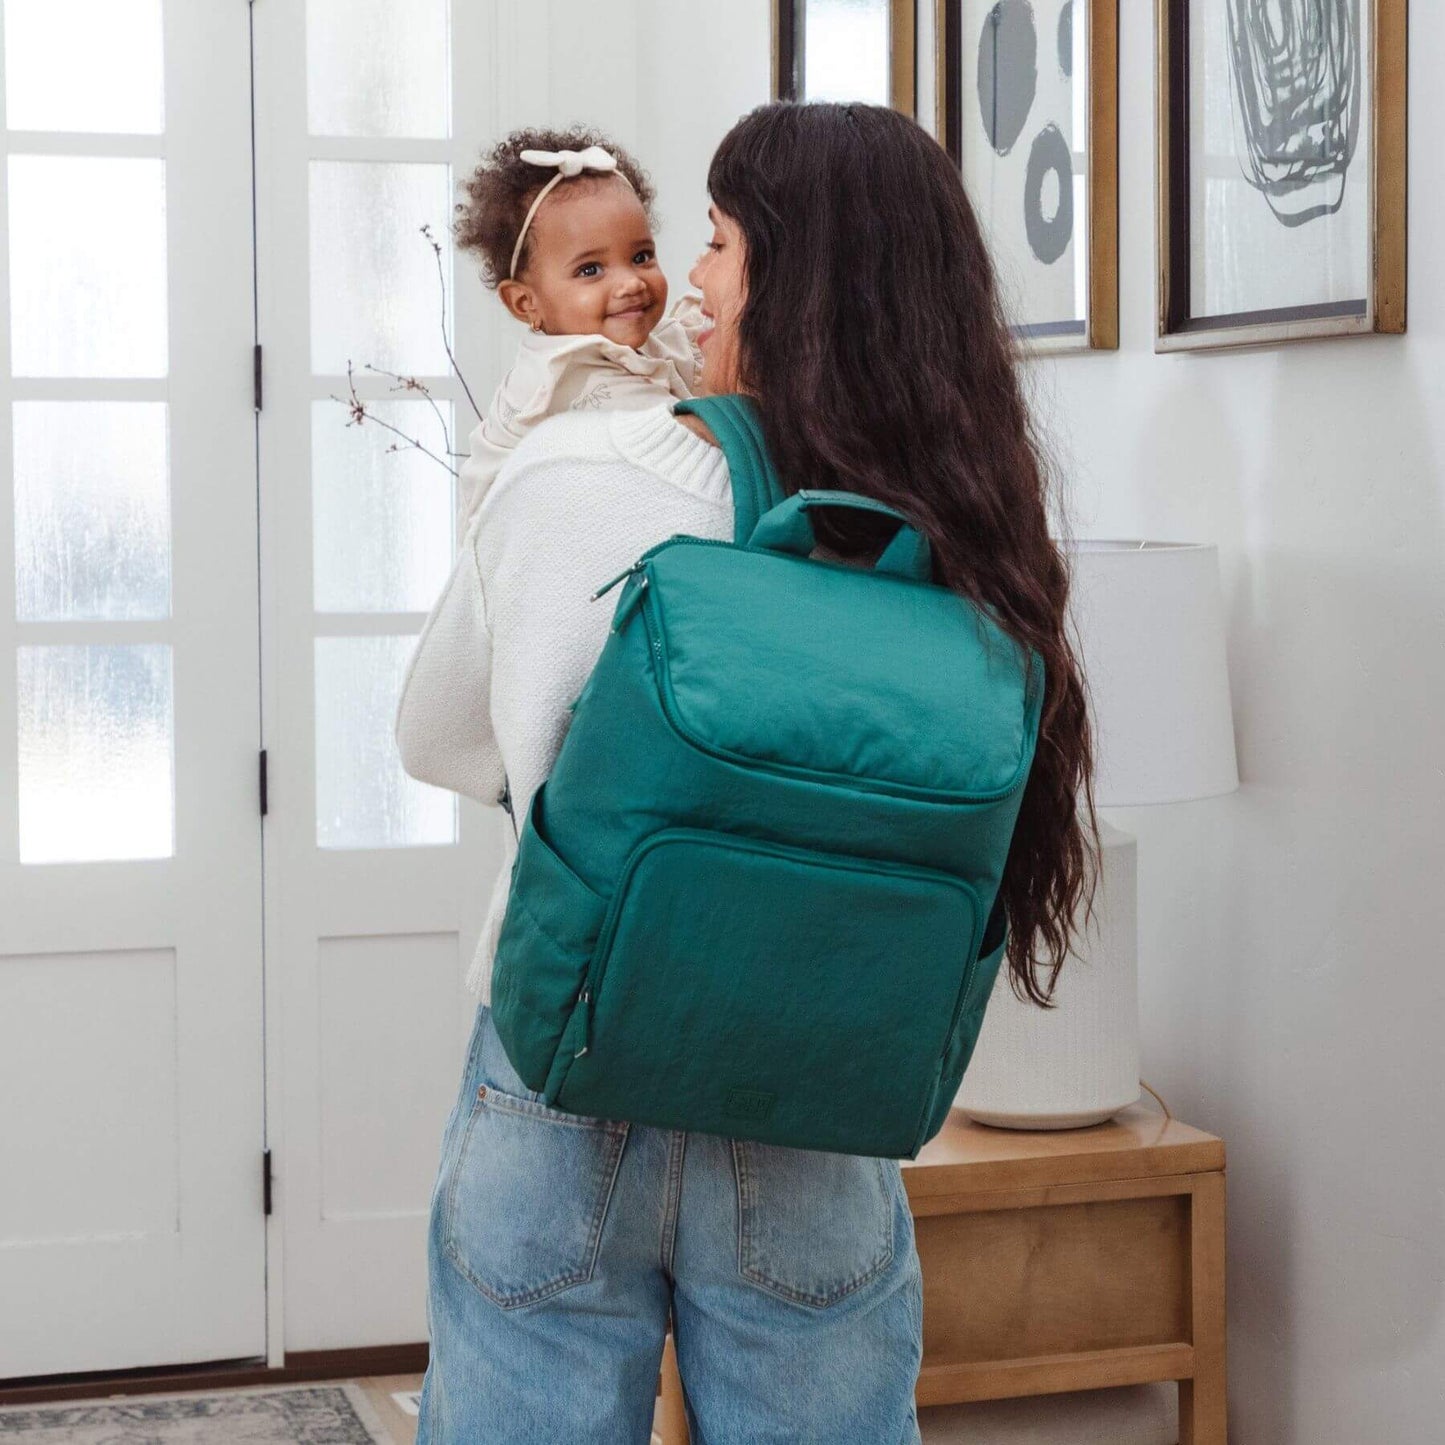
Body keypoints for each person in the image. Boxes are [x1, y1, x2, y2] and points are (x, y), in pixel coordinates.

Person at [395, 101, 1096, 1445]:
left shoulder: (568, 465)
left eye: (715, 243)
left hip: (566, 1054)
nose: (690, 283)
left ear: (792, 274)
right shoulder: (957, 513)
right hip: (815, 1068)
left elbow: (434, 737)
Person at [451, 125, 706, 539]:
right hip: (518, 561)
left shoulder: (623, 338)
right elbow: (682, 442)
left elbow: (681, 345)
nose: (631, 283)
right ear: (525, 303)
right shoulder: (568, 372)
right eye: (590, 270)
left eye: (641, 256)